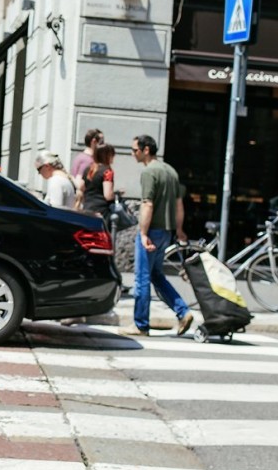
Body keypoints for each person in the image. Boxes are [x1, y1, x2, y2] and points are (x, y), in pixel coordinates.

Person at [123, 134, 194, 337]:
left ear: (146, 150)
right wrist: (179, 230)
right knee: (156, 276)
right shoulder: (170, 171)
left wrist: (143, 233)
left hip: (152, 230)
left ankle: (140, 324)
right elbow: (179, 205)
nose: (132, 153)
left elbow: (147, 204)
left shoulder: (149, 172)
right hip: (167, 232)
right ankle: (183, 311)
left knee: (142, 279)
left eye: (135, 150)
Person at [80, 143, 116, 221]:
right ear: (108, 156)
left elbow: (81, 187)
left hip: (87, 207)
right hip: (101, 211)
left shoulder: (89, 169)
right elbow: (108, 195)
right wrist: (116, 195)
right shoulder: (107, 172)